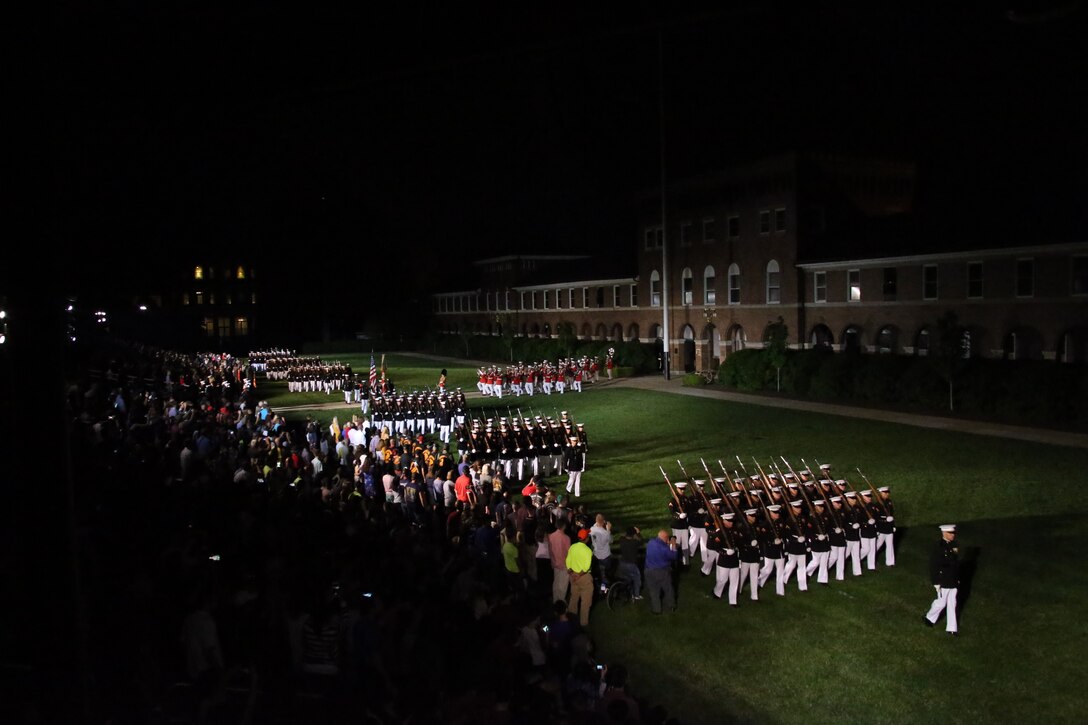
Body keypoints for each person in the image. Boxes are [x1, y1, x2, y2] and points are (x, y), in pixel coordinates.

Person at [925, 524, 961, 635]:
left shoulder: (954, 545)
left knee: (952, 603)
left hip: (953, 579)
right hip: (943, 579)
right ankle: (929, 618)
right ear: (944, 533)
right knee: (941, 602)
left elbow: (955, 564)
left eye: (953, 533)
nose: (953, 535)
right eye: (951, 533)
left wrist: (958, 578)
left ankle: (952, 628)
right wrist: (936, 581)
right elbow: (934, 565)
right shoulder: (939, 546)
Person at [644, 529, 679, 614]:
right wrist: (673, 545)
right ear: (666, 539)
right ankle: (671, 606)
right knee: (668, 589)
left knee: (653, 591)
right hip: (662, 572)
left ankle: (656, 610)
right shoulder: (665, 549)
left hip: (648, 571)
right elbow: (674, 556)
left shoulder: (650, 542)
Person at [566, 528, 595, 627]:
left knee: (573, 598)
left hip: (572, 577)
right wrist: (579, 575)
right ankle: (583, 623)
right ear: (586, 539)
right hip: (584, 578)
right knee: (585, 602)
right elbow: (586, 567)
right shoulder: (588, 551)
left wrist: (572, 573)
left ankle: (571, 619)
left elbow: (568, 562)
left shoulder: (572, 547)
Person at [616, 526, 643, 599]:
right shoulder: (634, 542)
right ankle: (636, 595)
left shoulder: (622, 540)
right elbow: (641, 541)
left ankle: (627, 591)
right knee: (637, 578)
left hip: (622, 563)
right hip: (632, 564)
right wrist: (638, 533)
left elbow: (622, 536)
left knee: (626, 578)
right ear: (633, 535)